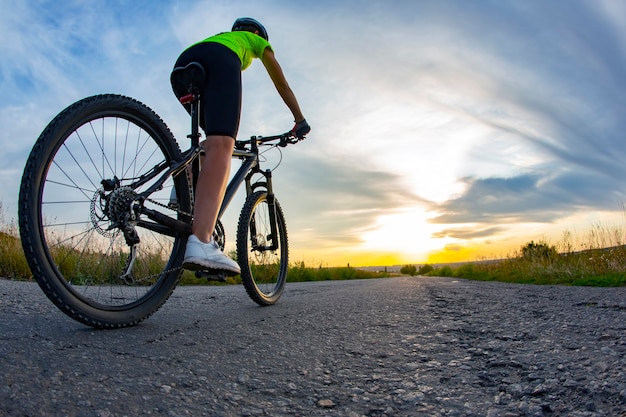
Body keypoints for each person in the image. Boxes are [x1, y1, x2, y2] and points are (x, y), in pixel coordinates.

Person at [171, 17, 310, 275]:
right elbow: (282, 84)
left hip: (184, 63)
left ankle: (181, 188)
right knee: (223, 144)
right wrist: (300, 119)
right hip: (219, 61)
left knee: (209, 142)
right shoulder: (254, 42)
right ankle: (201, 240)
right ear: (257, 33)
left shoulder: (222, 36)